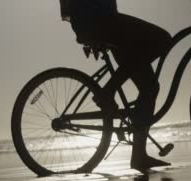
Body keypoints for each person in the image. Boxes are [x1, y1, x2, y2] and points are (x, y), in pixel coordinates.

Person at [60, 0, 173, 171]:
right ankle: (107, 91)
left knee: (149, 87)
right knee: (163, 39)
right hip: (99, 20)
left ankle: (139, 157)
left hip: (98, 21)